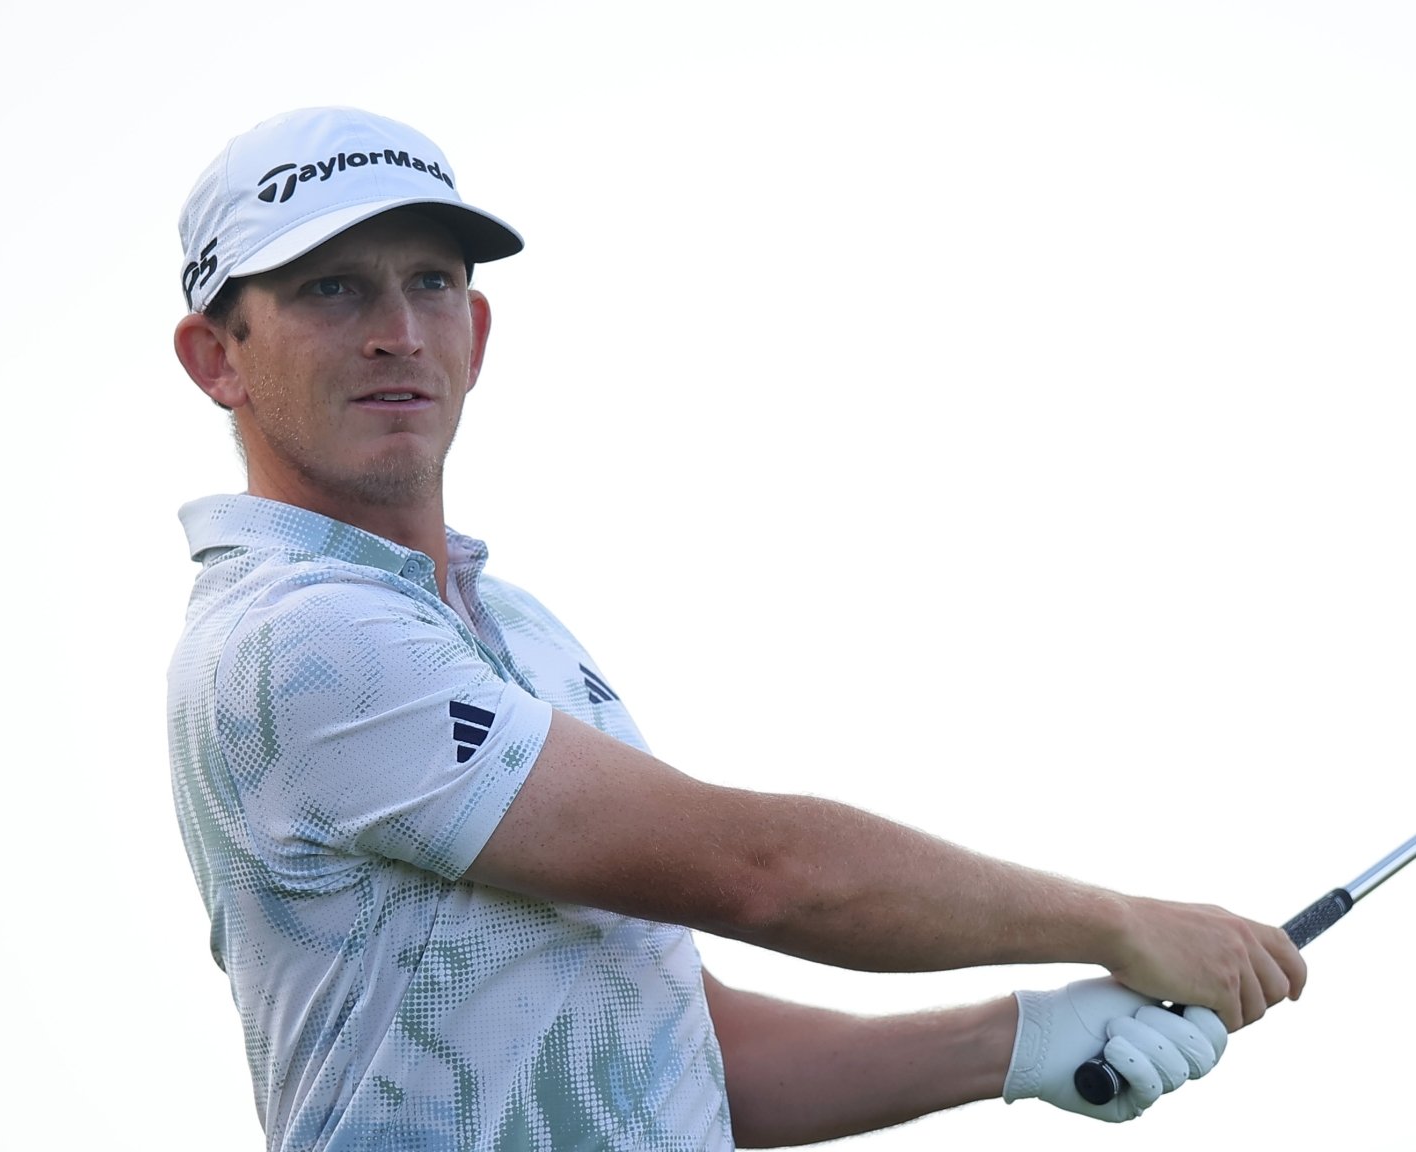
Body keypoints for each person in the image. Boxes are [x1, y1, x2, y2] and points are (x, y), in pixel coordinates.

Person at [167, 106, 1305, 1151]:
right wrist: (1118, 923)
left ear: (476, 329)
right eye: (331, 290)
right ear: (217, 358)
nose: (397, 332)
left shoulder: (513, 626)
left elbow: (684, 1055)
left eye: (429, 283)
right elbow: (761, 872)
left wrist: (1022, 1038)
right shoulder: (295, 638)